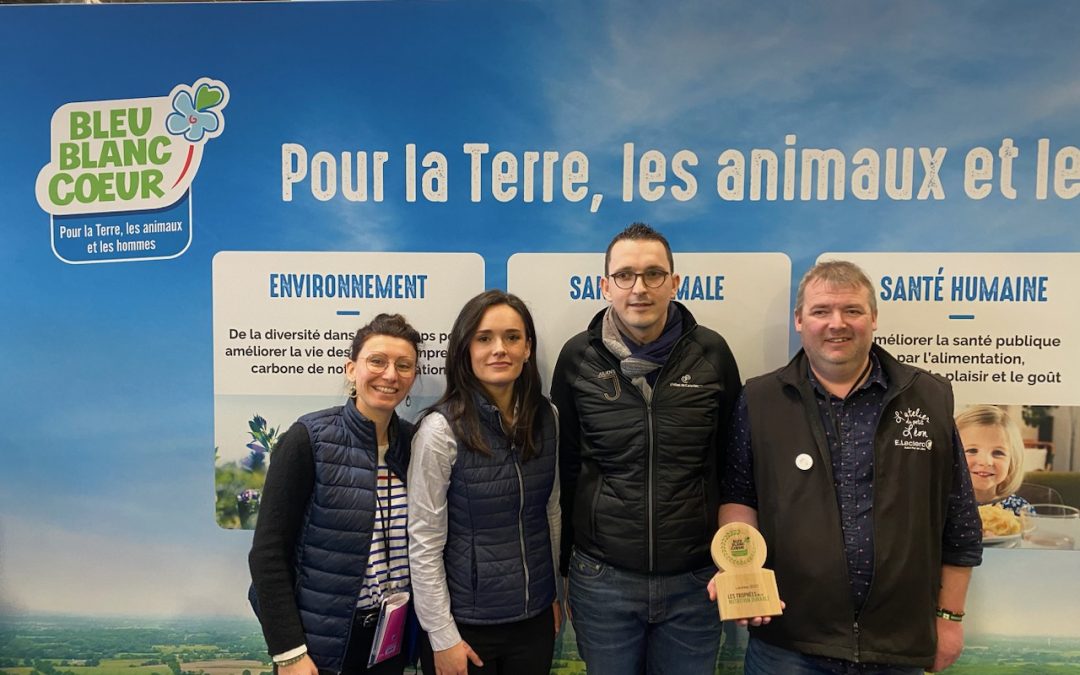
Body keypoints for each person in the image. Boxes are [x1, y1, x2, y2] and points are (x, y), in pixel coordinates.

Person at [717, 260, 983, 674]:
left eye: (852, 311)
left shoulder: (928, 397)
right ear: (799, 320)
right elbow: (739, 497)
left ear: (873, 318)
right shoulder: (761, 399)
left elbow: (960, 522)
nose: (836, 323)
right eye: (821, 311)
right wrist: (742, 573)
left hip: (895, 647)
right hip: (788, 644)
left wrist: (949, 620)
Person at [550, 223, 742, 675]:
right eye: (625, 275)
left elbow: (732, 463)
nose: (639, 288)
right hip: (603, 580)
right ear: (605, 285)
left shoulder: (712, 354)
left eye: (654, 274)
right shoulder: (578, 357)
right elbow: (566, 467)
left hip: (695, 580)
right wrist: (565, 570)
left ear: (675, 283)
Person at [248, 314, 422, 675]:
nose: (390, 375)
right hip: (321, 648)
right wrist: (290, 653)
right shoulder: (308, 439)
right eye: (377, 361)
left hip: (390, 640)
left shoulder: (414, 443)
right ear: (350, 369)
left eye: (403, 365)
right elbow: (268, 553)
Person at [408, 290, 561, 675]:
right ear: (465, 349)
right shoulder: (440, 430)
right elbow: (424, 541)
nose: (500, 349)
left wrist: (556, 594)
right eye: (484, 338)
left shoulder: (548, 417)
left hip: (534, 620)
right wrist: (441, 636)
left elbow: (551, 512)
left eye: (512, 337)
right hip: (466, 627)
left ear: (528, 348)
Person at [956, 405, 1031, 515]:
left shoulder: (1021, 509)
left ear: (1012, 461)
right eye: (972, 450)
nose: (985, 462)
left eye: (998, 452)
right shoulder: (940, 507)